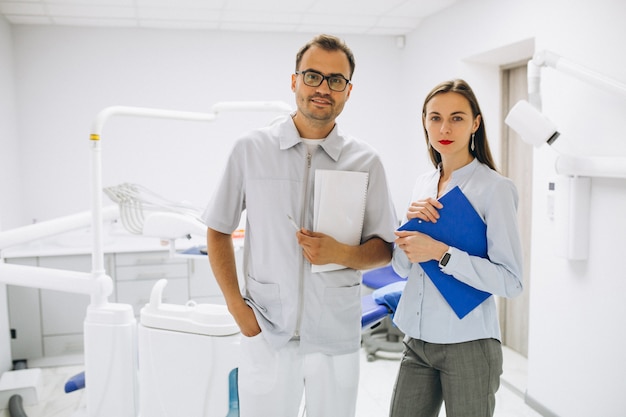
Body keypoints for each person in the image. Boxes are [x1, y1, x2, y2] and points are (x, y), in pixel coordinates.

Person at [203, 34, 398, 417]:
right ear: (294, 81)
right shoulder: (251, 149)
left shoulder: (365, 161)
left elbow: (384, 247)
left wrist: (341, 253)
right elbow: (217, 227)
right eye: (312, 76)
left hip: (335, 333)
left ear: (348, 91)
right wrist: (236, 307)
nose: (323, 88)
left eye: (335, 80)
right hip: (267, 328)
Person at [389, 79, 524, 417]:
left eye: (457, 118)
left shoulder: (495, 189)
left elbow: (511, 282)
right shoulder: (423, 183)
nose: (444, 127)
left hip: (468, 343)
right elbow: (402, 269)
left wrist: (441, 253)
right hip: (417, 341)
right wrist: (406, 236)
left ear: (475, 123)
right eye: (435, 118)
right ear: (424, 122)